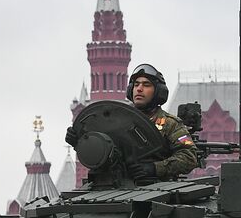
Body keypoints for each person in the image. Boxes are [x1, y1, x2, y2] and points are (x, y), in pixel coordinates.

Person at [66, 63, 199, 182]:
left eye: (146, 85)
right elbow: (105, 152)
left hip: (155, 189)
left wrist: (153, 169)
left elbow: (189, 157)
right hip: (111, 187)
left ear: (158, 92)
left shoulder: (170, 124)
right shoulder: (115, 120)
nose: (139, 89)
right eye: (136, 85)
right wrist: (79, 141)